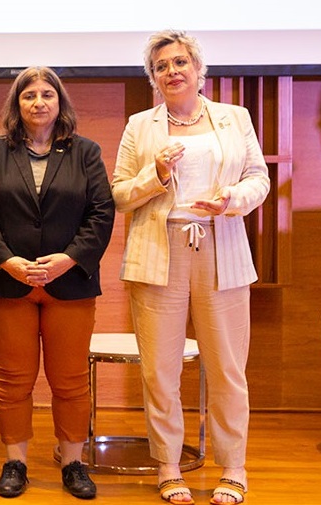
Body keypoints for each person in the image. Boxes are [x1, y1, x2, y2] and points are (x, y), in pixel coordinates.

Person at [110, 30, 270, 505]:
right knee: (160, 370)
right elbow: (119, 195)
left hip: (221, 247)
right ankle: (168, 465)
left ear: (200, 69)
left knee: (227, 367)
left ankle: (234, 466)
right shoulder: (141, 125)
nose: (172, 71)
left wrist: (232, 200)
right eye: (161, 66)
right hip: (158, 252)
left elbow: (257, 178)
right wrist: (155, 174)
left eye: (181, 62)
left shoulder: (233, 117)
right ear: (153, 78)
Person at [0, 67, 114, 500]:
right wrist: (8, 262)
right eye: (28, 95)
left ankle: (73, 464)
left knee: (69, 381)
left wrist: (68, 260)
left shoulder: (85, 152)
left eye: (47, 94)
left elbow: (101, 213)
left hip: (69, 283)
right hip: (10, 282)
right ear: (17, 105)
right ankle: (16, 462)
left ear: (60, 102)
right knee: (13, 380)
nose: (38, 102)